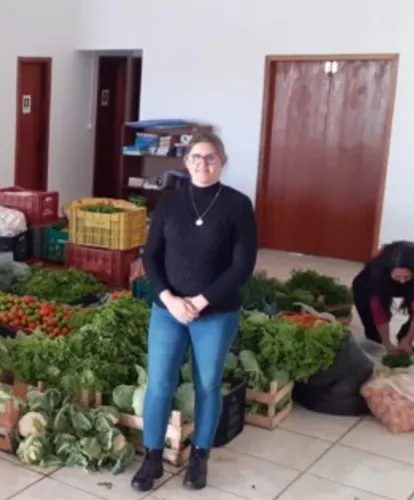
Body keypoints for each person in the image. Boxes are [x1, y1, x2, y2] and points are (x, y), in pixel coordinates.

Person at [132, 132, 258, 492]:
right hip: (167, 310)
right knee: (159, 384)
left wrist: (201, 301)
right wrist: (169, 298)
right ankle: (152, 457)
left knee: (207, 384)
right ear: (186, 161)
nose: (203, 164)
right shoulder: (170, 202)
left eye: (211, 158)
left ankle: (200, 456)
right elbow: (151, 254)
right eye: (196, 157)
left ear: (223, 162)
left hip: (215, 313)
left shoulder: (237, 205)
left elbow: (242, 266)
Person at [351, 241, 414, 354]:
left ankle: (404, 335)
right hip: (379, 279)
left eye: (406, 276)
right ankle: (374, 338)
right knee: (362, 291)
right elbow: (378, 307)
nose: (402, 281)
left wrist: (408, 339)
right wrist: (386, 343)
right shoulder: (378, 269)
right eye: (398, 277)